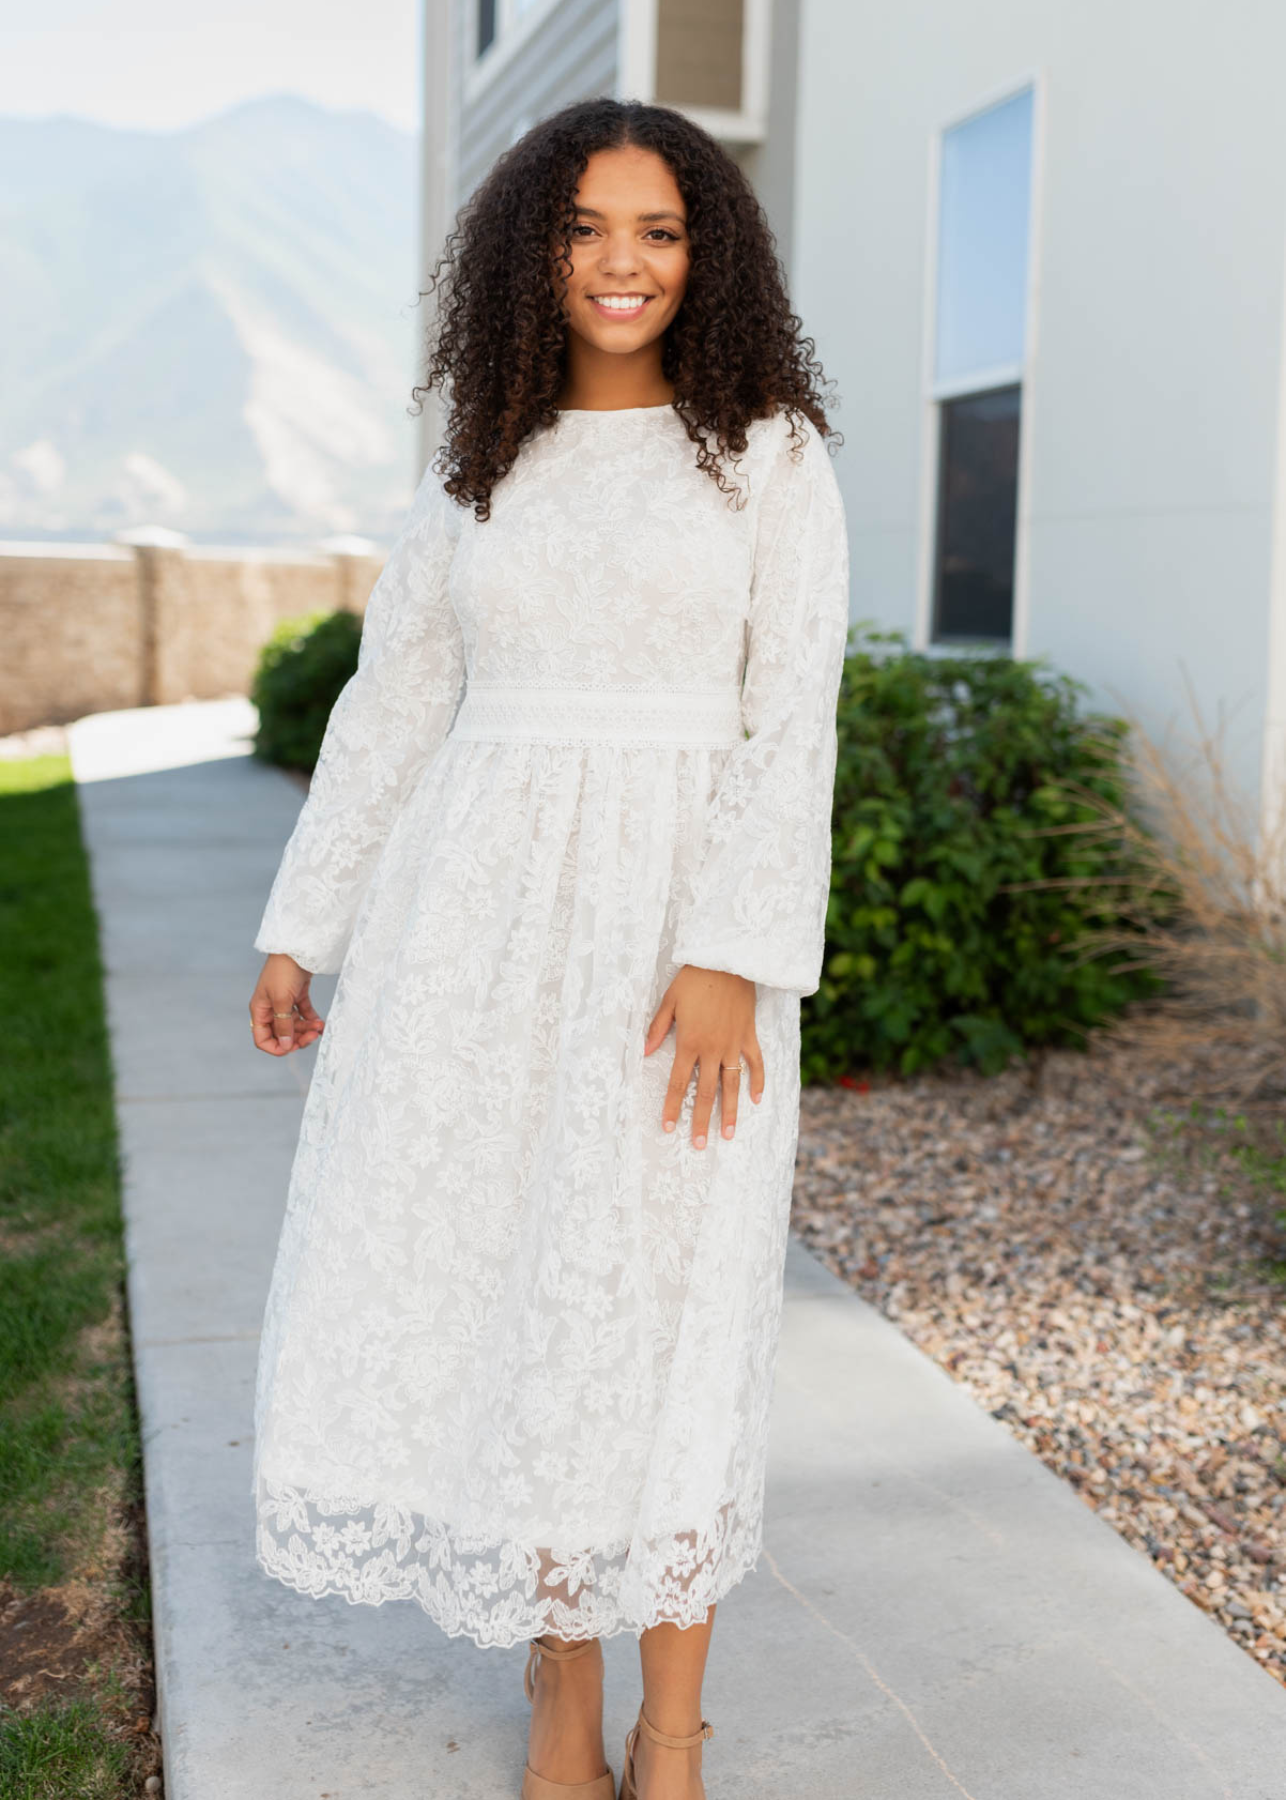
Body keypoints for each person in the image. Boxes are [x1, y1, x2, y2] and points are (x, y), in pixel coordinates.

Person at [246, 95, 850, 1800]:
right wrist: (307, 925)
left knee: (662, 1308)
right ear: (534, 249)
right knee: (520, 1295)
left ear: (705, 253)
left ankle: (673, 1732)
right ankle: (562, 1702)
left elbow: (788, 713)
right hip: (476, 929)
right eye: (587, 228)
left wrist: (731, 948)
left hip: (679, 942)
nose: (621, 263)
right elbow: (394, 710)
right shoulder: (475, 456)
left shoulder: (768, 451)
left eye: (658, 231)